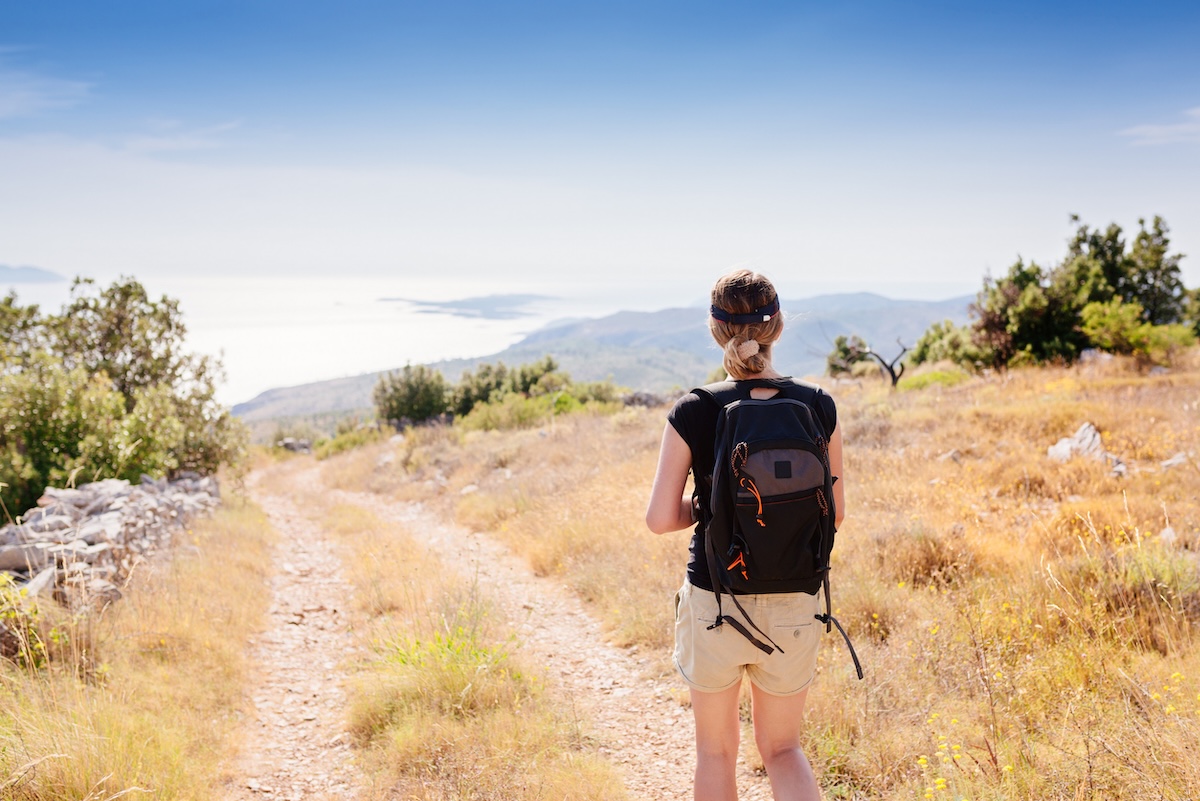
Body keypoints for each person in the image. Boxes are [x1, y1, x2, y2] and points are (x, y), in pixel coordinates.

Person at [645, 269, 845, 801]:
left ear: (714, 328)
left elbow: (660, 518)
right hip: (795, 599)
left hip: (716, 597)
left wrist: (711, 506)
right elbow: (836, 515)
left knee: (715, 752)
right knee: (784, 750)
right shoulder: (818, 405)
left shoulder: (694, 409)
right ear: (778, 325)